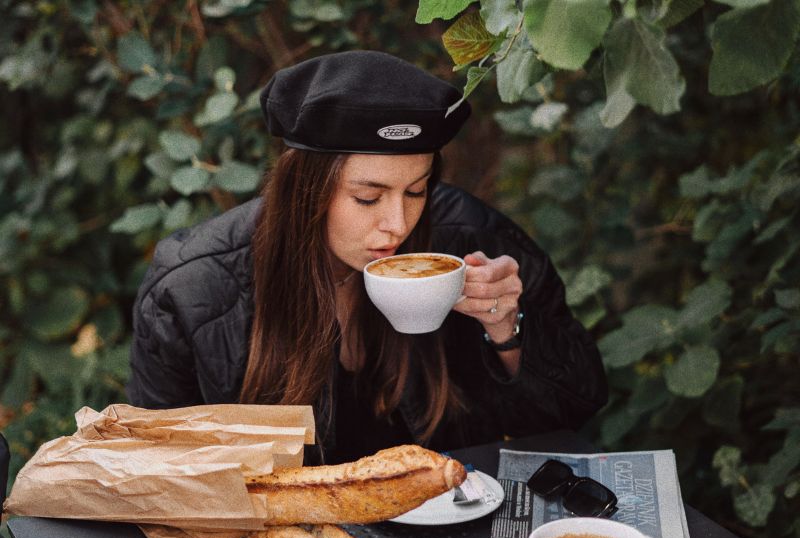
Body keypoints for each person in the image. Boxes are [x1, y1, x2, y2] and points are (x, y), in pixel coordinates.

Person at [127, 51, 607, 464]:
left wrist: (507, 328)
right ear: (305, 191)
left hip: (449, 531)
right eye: (367, 197)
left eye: (416, 191)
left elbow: (575, 408)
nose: (398, 223)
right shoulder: (192, 287)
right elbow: (163, 469)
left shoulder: (468, 237)